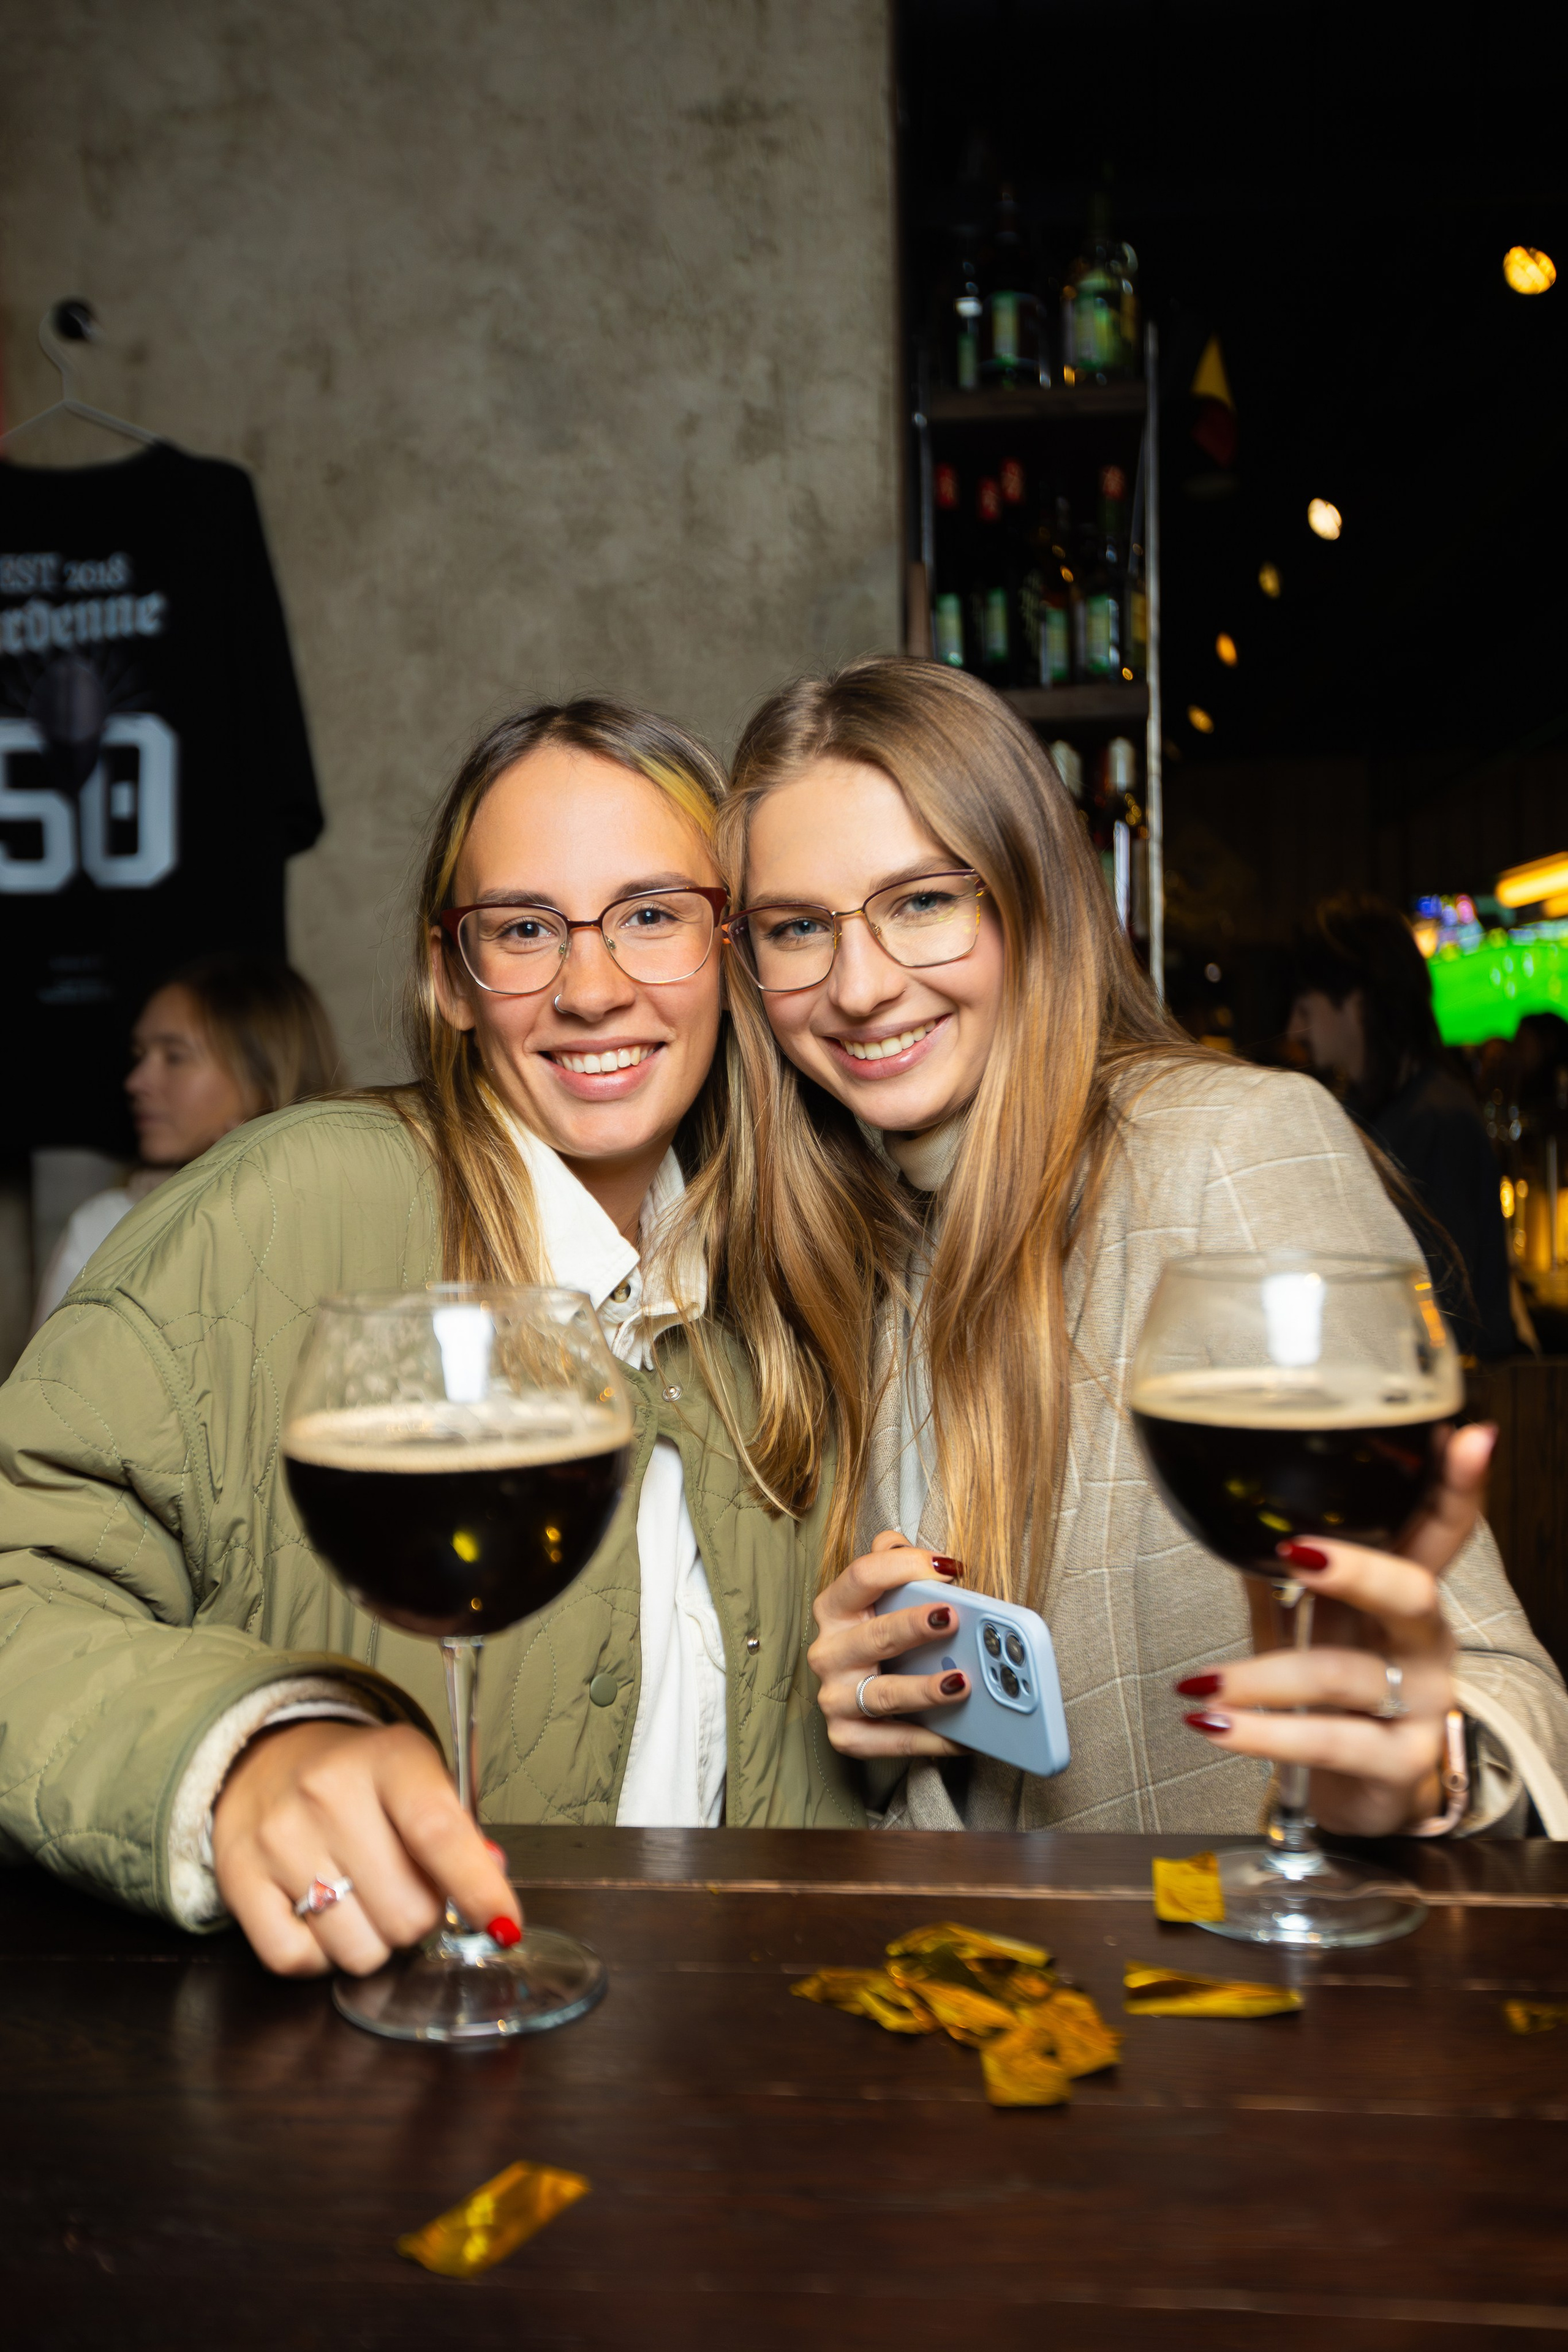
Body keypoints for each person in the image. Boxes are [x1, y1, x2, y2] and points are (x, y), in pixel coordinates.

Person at [0, 699, 859, 1980]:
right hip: (356, 2074)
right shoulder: (290, 1207)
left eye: (648, 916)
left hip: (726, 2096)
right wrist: (240, 1750)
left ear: (728, 948)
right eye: (521, 929)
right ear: (447, 979)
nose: (588, 988)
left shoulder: (803, 1276)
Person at [679, 657, 1568, 1839]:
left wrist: (1424, 1765)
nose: (860, 985)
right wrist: (871, 1703)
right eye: (798, 928)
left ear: (1030, 897)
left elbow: (1502, 1682)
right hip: (992, 2003)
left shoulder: (1230, 1152)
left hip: (1240, 1991)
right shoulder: (843, 1245)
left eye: (923, 901)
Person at [32, 956, 339, 1327]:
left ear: (263, 1081)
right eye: (140, 1057)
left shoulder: (345, 1222)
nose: (136, 1082)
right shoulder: (106, 1227)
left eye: (175, 1057)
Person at [1286, 894, 1514, 1360]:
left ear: (1355, 1002)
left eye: (1306, 1009)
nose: (1294, 1030)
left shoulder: (1437, 1120)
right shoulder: (1373, 1108)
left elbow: (1444, 1316)